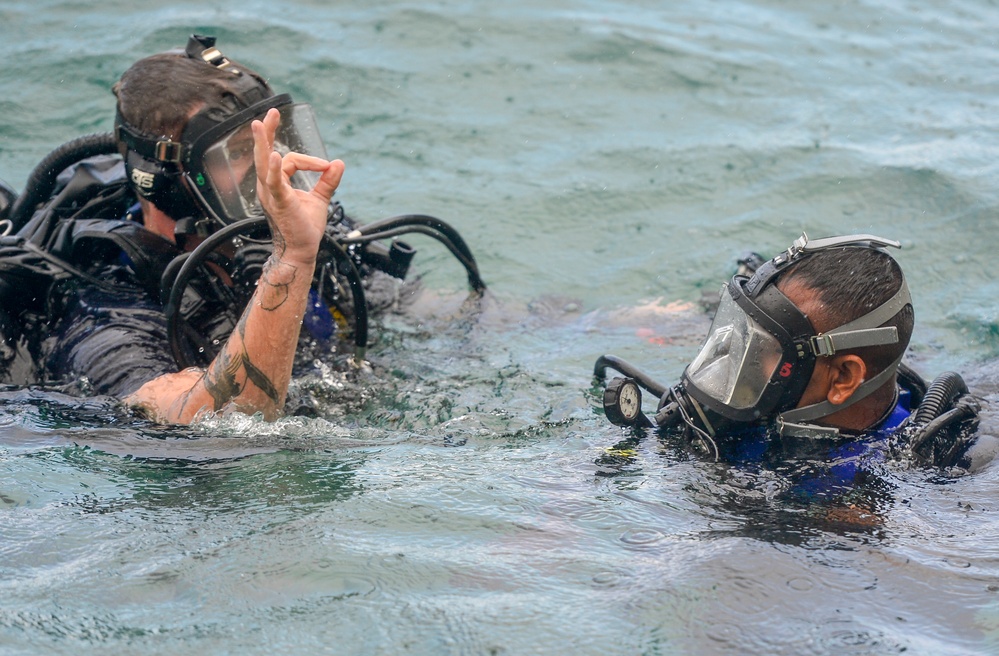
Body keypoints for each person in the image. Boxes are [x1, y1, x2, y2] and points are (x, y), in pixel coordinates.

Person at [0, 35, 484, 425]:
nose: (267, 167)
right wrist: (292, 260)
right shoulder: (105, 312)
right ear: (166, 182)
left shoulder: (291, 220)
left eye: (274, 138)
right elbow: (221, 427)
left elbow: (421, 313)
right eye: (235, 153)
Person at [596, 233, 981, 470]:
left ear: (843, 379)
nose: (737, 360)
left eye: (764, 347)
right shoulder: (776, 390)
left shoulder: (877, 490)